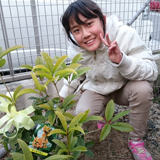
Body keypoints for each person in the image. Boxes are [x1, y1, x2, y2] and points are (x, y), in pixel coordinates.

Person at [59, 0, 158, 159]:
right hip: (98, 88)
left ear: (103, 20)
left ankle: (135, 141)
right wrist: (64, 94)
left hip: (124, 88)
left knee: (142, 89)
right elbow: (75, 72)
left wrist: (122, 60)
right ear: (71, 33)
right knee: (82, 114)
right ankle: (104, 117)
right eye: (77, 30)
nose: (85, 34)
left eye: (89, 24)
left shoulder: (125, 34)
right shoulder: (77, 49)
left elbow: (152, 71)